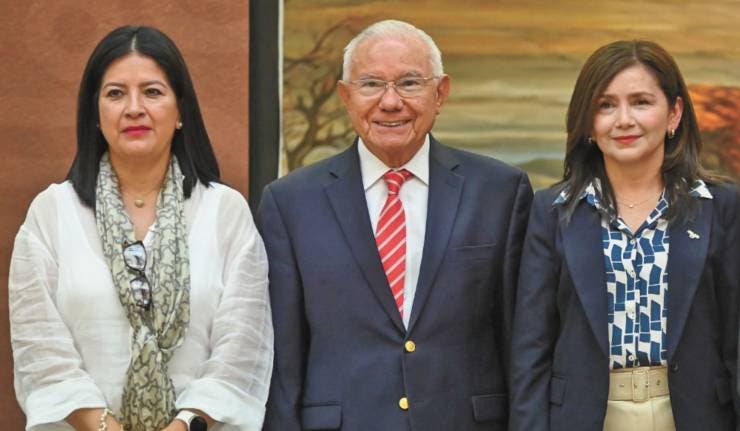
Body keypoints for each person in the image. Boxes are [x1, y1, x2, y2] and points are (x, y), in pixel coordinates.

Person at [258, 19, 532, 431]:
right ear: (345, 97)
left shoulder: (500, 192)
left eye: (409, 83)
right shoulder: (290, 203)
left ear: (440, 93)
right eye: (371, 84)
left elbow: (523, 342)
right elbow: (282, 358)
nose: (390, 102)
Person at [8, 26, 273, 431]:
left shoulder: (225, 211)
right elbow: (40, 351)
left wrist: (182, 425)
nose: (134, 108)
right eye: (116, 94)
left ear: (180, 109)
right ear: (95, 113)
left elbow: (242, 349)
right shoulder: (53, 212)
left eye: (152, 92)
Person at [509, 40, 740, 430]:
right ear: (587, 122)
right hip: (585, 417)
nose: (624, 120)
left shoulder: (721, 206)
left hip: (693, 415)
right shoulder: (553, 211)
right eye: (605, 105)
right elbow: (531, 348)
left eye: (641, 102)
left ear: (674, 113)